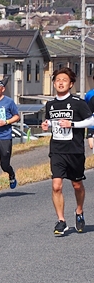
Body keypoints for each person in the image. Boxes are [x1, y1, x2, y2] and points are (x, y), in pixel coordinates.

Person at [41, 67, 94, 236]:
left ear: (71, 84)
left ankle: (79, 211)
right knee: (56, 186)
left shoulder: (78, 103)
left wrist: (72, 124)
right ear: (54, 83)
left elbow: (91, 120)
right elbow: (51, 121)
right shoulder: (50, 104)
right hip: (57, 150)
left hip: (74, 150)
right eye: (58, 80)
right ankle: (61, 220)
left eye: (64, 80)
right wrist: (47, 124)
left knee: (77, 185)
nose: (60, 83)